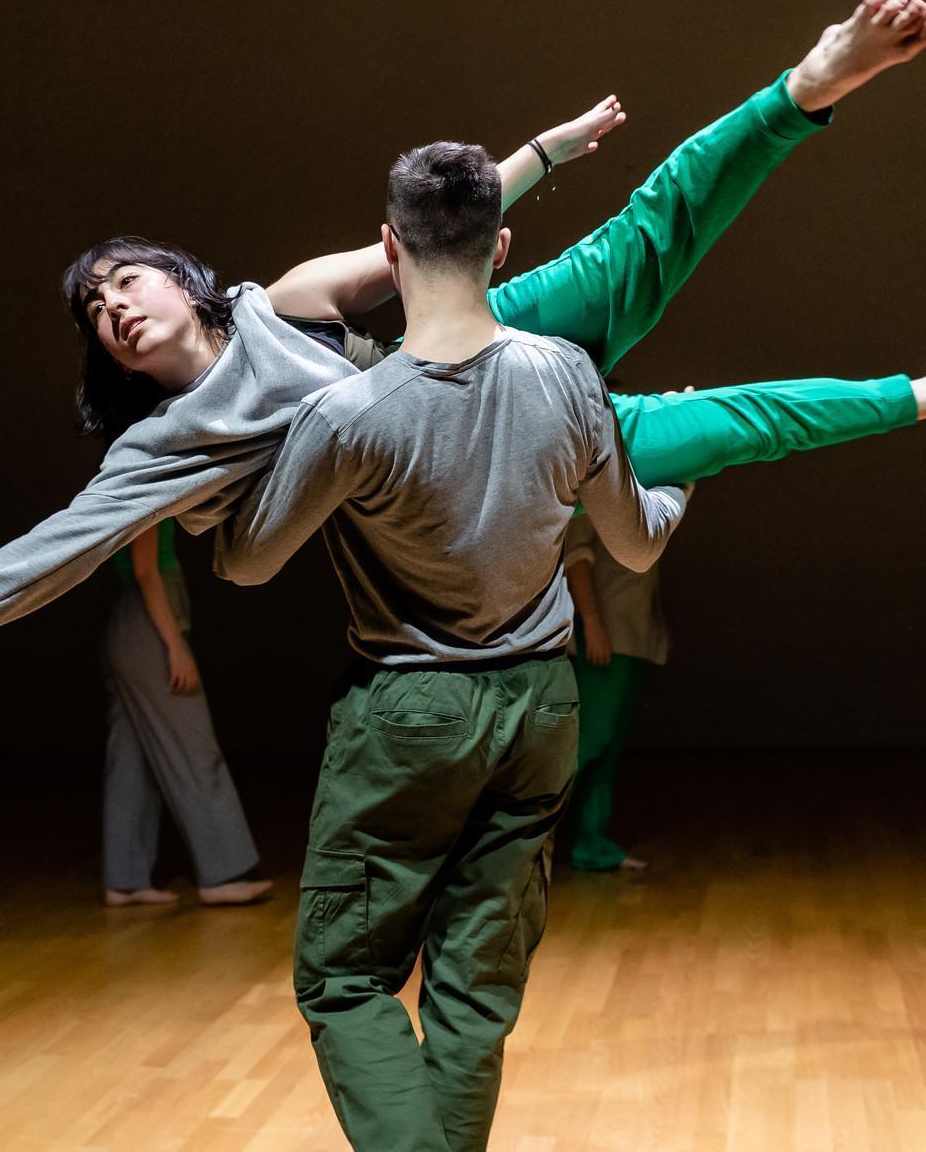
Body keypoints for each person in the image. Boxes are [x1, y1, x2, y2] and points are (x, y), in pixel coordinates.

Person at [0, 0, 926, 674]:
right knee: (722, 427)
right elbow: (60, 544)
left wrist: (548, 152)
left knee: (646, 236)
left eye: (127, 280)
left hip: (472, 326)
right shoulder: (167, 446)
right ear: (113, 354)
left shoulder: (280, 299)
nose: (115, 305)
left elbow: (433, 230)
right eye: (97, 310)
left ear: (181, 284)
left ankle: (806, 88)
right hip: (449, 435)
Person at [212, 138, 690, 1150]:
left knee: (344, 979)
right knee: (475, 989)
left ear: (389, 248)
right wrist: (684, 478)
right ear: (501, 245)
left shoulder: (349, 408)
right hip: (540, 711)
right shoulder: (565, 374)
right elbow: (634, 543)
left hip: (410, 714)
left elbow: (247, 564)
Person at [101, 520, 270, 906]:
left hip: (126, 625)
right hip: (148, 623)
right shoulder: (147, 494)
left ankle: (124, 880)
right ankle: (224, 874)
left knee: (130, 758)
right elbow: (146, 571)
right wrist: (176, 646)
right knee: (195, 747)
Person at [560, 493, 667, 873]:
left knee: (606, 746)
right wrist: (593, 623)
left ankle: (591, 844)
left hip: (631, 635)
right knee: (588, 740)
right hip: (605, 637)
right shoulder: (593, 484)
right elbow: (576, 555)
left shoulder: (636, 481)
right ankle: (508, 845)